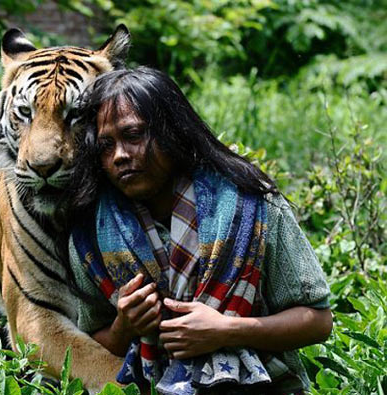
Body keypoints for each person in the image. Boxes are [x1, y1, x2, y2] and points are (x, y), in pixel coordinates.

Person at [67, 67, 332, 395]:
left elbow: (318, 321)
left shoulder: (252, 206)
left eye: (133, 135)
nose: (120, 155)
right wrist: (125, 326)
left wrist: (227, 330)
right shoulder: (92, 235)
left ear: (172, 132)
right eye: (107, 145)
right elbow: (93, 340)